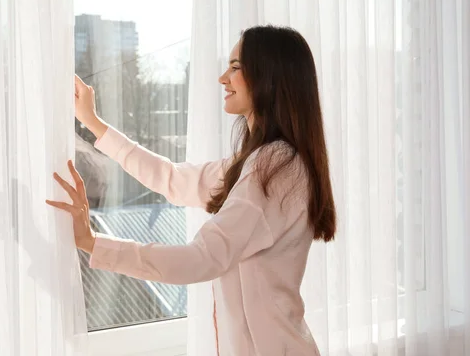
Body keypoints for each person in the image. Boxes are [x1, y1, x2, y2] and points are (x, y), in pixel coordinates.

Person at [46, 25, 336, 356]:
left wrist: (91, 242)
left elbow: (199, 259)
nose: (223, 78)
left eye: (236, 67)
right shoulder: (260, 162)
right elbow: (171, 178)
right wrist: (93, 122)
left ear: (269, 76)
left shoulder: (275, 169)